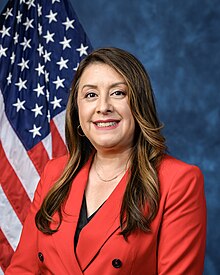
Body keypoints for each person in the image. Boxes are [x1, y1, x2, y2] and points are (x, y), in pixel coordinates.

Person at [5, 47, 206, 275]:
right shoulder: (55, 173)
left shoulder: (179, 181)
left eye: (118, 93)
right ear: (77, 111)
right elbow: (22, 270)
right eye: (91, 95)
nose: (103, 107)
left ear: (139, 104)